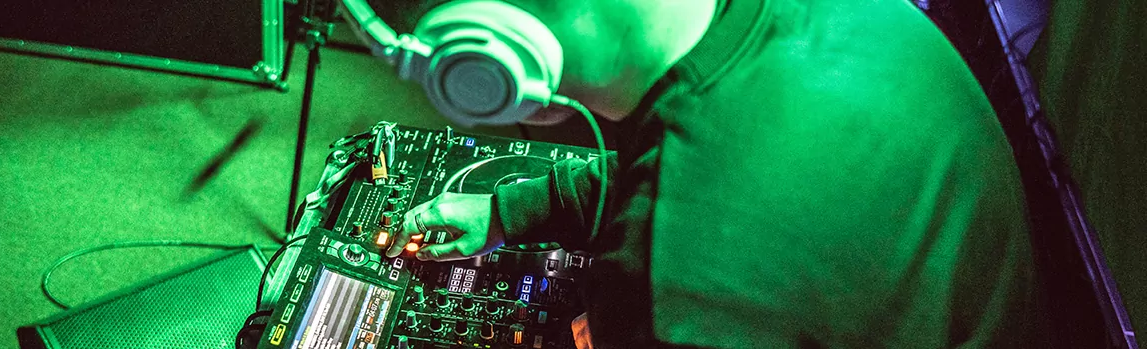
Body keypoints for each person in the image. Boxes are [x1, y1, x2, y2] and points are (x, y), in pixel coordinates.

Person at [359, 0, 1038, 347]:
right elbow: (697, 155)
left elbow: (707, 220)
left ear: (483, 60)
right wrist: (513, 211)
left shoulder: (679, 285)